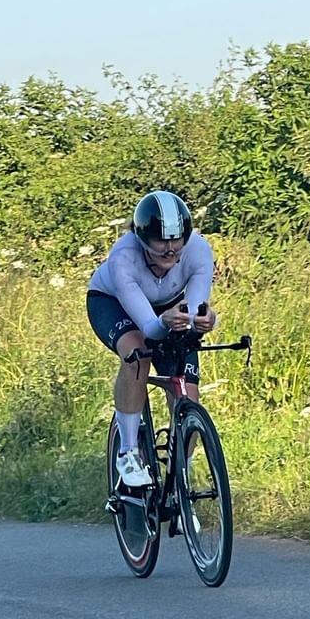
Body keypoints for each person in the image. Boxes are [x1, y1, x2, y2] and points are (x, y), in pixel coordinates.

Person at [86, 190, 217, 486]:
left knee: (187, 392)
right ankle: (128, 452)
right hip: (113, 304)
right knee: (138, 354)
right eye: (161, 240)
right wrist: (165, 321)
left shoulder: (199, 250)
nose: (170, 249)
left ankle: (179, 479)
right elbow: (150, 329)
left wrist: (205, 320)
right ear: (142, 237)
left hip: (167, 308)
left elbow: (195, 311)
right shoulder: (124, 258)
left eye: (176, 239)